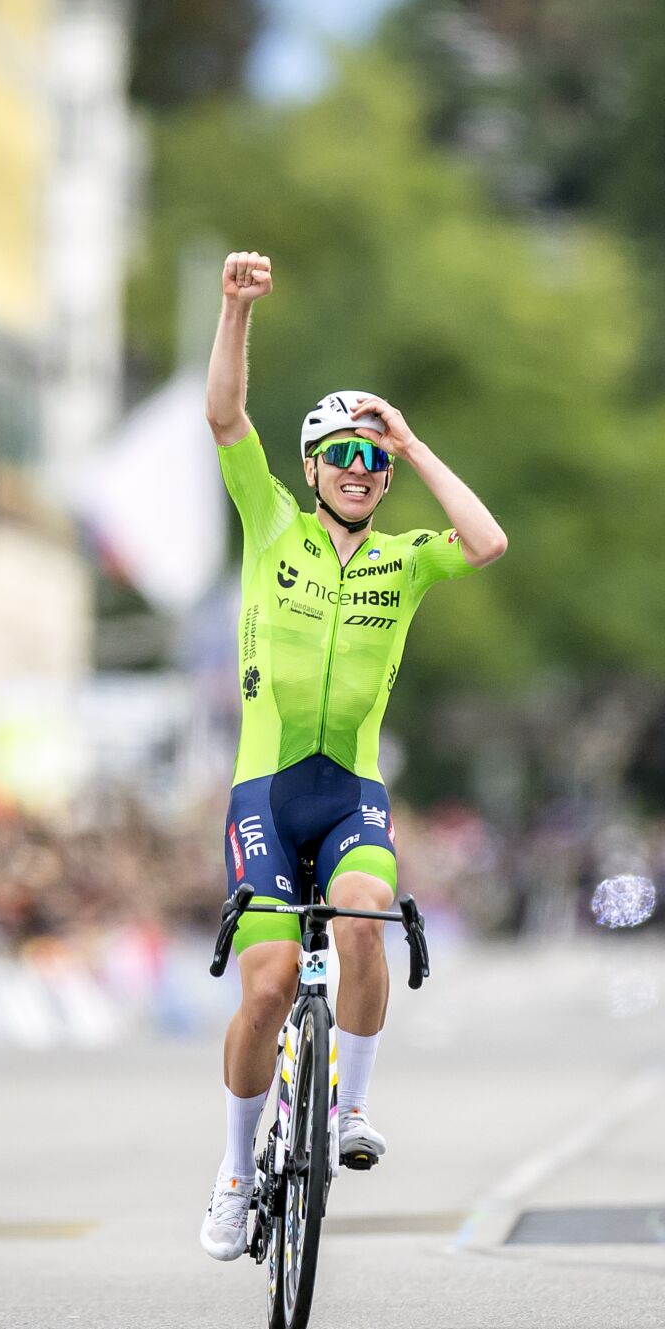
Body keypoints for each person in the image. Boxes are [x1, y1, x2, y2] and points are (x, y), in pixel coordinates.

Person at [199, 251, 508, 1260]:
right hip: (264, 792)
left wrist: (413, 444)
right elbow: (224, 418)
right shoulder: (271, 524)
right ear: (313, 465)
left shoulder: (404, 557)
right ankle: (237, 1176)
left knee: (370, 919)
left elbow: (487, 541)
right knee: (268, 985)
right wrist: (235, 312)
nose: (362, 475)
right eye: (347, 458)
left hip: (352, 796)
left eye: (371, 464)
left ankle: (352, 1110)